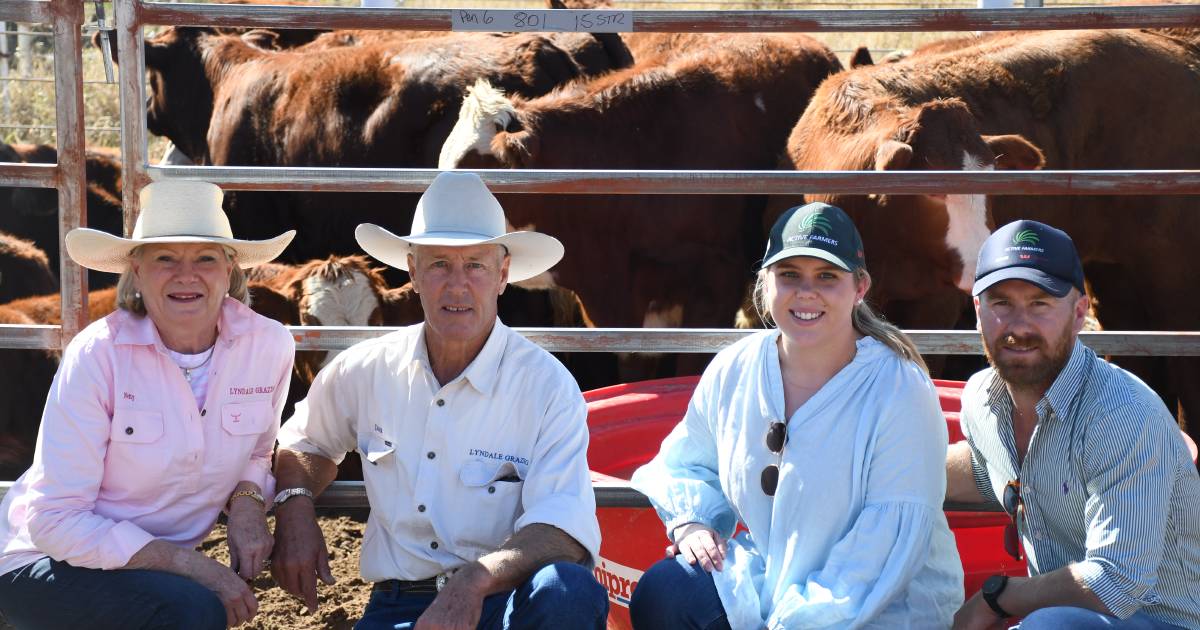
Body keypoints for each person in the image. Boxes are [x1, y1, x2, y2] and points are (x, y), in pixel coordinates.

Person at [269, 171, 608, 629]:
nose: (456, 286)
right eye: (438, 265)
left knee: (567, 592)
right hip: (398, 604)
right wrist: (294, 505)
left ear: (502, 274)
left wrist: (474, 581)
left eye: (475, 266)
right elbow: (304, 442)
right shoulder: (366, 367)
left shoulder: (547, 386)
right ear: (412, 273)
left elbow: (563, 530)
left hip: (505, 602)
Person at [628, 202, 964, 629]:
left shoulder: (898, 388)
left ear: (859, 287)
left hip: (879, 605)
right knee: (668, 591)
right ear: (765, 284)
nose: (806, 293)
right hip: (773, 579)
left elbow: (880, 552)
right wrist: (693, 522)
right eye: (789, 275)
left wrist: (793, 623)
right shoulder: (737, 367)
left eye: (827, 276)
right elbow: (685, 462)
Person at [0, 181, 296, 629]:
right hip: (46, 559)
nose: (186, 274)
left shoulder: (270, 345)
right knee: (192, 608)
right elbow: (54, 520)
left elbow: (257, 451)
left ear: (231, 269)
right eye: (164, 259)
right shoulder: (98, 354)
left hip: (156, 566)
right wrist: (191, 565)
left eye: (205, 258)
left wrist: (249, 504)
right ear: (135, 271)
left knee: (187, 605)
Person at [947, 220, 1200, 630]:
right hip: (1062, 614)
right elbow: (985, 467)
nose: (1019, 325)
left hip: (1162, 619)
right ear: (978, 312)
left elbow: (1116, 582)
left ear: (1080, 312)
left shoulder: (1119, 415)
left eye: (1040, 303)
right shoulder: (981, 398)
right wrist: (878, 475)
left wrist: (997, 597)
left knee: (1051, 625)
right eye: (1001, 303)